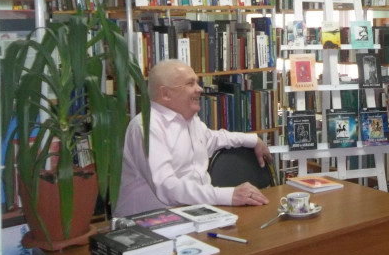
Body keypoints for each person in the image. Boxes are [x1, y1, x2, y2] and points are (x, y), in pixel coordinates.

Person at [114, 59, 272, 217]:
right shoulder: (146, 127)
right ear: (166, 94)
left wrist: (253, 140)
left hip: (193, 215)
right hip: (148, 223)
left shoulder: (190, 120)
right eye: (190, 84)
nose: (199, 89)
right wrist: (229, 195)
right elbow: (167, 187)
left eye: (197, 82)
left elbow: (213, 138)